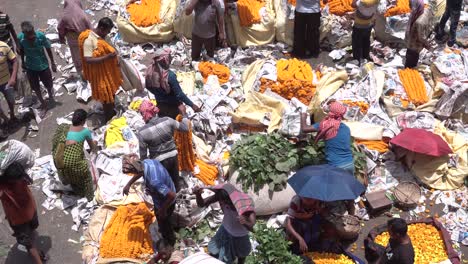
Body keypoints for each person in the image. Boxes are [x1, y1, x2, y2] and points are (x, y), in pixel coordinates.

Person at [122, 154, 177, 246]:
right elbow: (140, 171)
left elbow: (171, 196)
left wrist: (163, 210)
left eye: (132, 172)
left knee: (163, 221)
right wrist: (129, 184)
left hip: (166, 202)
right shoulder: (147, 162)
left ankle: (170, 242)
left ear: (135, 169)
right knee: (162, 219)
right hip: (166, 188)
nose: (133, 174)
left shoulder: (154, 181)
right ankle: (166, 230)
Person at [194, 183, 256, 264]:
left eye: (229, 201)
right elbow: (201, 204)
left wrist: (245, 222)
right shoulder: (221, 196)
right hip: (225, 229)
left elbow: (252, 225)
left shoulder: (244, 202)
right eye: (224, 201)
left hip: (240, 235)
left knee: (241, 253)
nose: (226, 203)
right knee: (214, 249)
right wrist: (198, 194)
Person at [137, 100, 190, 191]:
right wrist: (184, 114)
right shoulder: (167, 120)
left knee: (166, 186)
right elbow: (185, 128)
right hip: (173, 156)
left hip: (159, 161)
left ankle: (171, 201)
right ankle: (179, 197)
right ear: (154, 110)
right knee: (176, 184)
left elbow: (143, 157)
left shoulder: (142, 132)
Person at [0, 162, 46, 264]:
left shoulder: (3, 187)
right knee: (32, 234)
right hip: (31, 212)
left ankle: (38, 260)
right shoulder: (23, 178)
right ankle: (37, 252)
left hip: (18, 221)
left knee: (28, 245)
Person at [79, 17, 122, 122]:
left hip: (105, 71)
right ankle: (109, 118)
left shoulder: (98, 37)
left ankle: (110, 111)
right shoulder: (90, 40)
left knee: (110, 94)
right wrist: (108, 57)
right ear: (101, 28)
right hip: (99, 74)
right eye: (107, 31)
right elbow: (88, 59)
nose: (107, 34)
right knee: (106, 96)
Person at [52, 109, 97, 201]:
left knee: (72, 177)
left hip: (59, 161)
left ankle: (73, 186)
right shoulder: (85, 131)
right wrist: (95, 143)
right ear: (83, 121)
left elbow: (55, 142)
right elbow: (93, 148)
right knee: (86, 179)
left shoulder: (63, 127)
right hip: (74, 164)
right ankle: (89, 198)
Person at [145, 49, 201, 119]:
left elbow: (147, 86)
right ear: (164, 60)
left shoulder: (149, 72)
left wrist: (159, 94)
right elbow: (179, 94)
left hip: (160, 104)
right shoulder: (170, 76)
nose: (171, 58)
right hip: (173, 104)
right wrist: (193, 105)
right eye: (169, 57)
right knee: (182, 118)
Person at [301, 101, 354, 174]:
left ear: (331, 113)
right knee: (346, 184)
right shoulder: (346, 128)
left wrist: (303, 116)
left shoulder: (326, 125)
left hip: (336, 166)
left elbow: (304, 129)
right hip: (350, 164)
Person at [18, 21, 57, 117]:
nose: (32, 36)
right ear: (24, 33)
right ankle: (43, 104)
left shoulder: (40, 36)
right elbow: (21, 51)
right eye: (29, 35)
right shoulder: (20, 38)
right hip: (30, 66)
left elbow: (48, 48)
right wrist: (22, 62)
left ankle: (50, 93)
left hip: (43, 65)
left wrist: (52, 63)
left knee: (48, 83)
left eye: (33, 33)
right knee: (35, 87)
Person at [57, 0, 92, 78]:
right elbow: (90, 27)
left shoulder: (65, 16)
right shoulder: (82, 14)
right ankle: (89, 71)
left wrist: (61, 37)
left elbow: (60, 28)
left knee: (76, 56)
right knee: (87, 54)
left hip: (72, 39)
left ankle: (82, 74)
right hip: (84, 37)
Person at [404, 0, 432, 68]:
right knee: (413, 57)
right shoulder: (423, 11)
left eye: (412, 6)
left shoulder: (419, 21)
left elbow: (421, 36)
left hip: (414, 44)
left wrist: (427, 44)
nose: (411, 8)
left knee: (411, 59)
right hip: (416, 43)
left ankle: (409, 70)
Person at [351, 0, 379, 66]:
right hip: (369, 23)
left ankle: (357, 60)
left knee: (357, 43)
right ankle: (365, 56)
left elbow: (353, 4)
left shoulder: (363, 2)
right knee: (366, 41)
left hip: (359, 25)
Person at [0, 40, 18, 127]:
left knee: (11, 100)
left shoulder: (4, 46)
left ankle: (12, 115)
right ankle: (5, 119)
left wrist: (13, 77)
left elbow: (14, 60)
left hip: (6, 81)